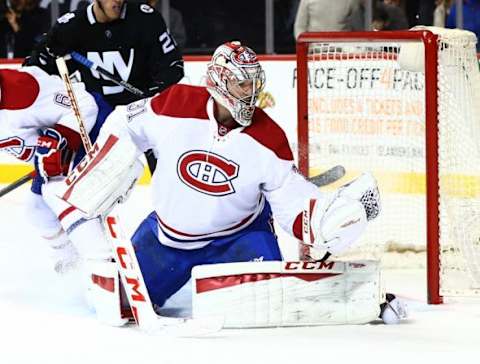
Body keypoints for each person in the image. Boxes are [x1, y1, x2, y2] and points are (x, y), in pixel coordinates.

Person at [56, 41, 407, 327]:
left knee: (273, 310)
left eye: (255, 84)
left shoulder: (270, 139)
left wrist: (325, 224)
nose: (252, 93)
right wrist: (110, 165)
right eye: (243, 84)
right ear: (221, 81)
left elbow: (294, 203)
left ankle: (370, 299)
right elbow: (124, 121)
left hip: (239, 239)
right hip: (166, 239)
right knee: (120, 306)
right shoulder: (174, 104)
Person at [24, 0, 185, 172]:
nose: (118, 1)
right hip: (100, 111)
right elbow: (33, 72)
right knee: (87, 181)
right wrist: (49, 55)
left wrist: (155, 94)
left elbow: (172, 65)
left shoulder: (144, 18)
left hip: (142, 109)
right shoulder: (70, 26)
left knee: (167, 170)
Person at [0, 65, 112, 273]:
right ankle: (72, 261)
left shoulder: (22, 91)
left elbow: (84, 105)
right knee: (37, 211)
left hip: (91, 130)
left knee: (60, 196)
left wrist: (58, 138)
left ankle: (103, 262)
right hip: (53, 155)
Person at [294, 0, 360, 39]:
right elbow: (299, 27)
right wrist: (305, 46)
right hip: (314, 49)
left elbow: (357, 27)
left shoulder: (351, 1)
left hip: (342, 49)